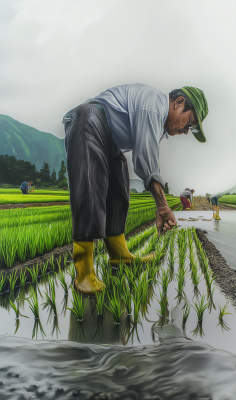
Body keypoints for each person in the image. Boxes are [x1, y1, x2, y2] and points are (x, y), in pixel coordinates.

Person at [62, 84, 208, 294]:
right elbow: (145, 157)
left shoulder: (157, 116)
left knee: (119, 192)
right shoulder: (153, 106)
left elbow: (145, 155)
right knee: (90, 192)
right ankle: (84, 273)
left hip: (108, 138)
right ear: (179, 102)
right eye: (190, 123)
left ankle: (119, 255)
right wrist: (163, 206)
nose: (186, 131)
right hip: (88, 121)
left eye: (191, 129)